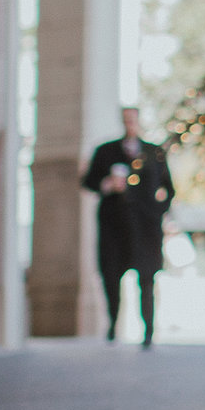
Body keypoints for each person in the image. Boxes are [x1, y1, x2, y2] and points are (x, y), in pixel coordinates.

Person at [80, 107, 174, 346]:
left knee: (147, 279)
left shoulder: (154, 153)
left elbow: (169, 190)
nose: (129, 123)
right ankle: (112, 324)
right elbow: (88, 181)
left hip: (145, 228)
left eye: (133, 119)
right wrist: (107, 185)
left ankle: (149, 330)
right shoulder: (105, 151)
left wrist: (157, 212)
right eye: (125, 119)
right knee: (111, 276)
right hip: (114, 226)